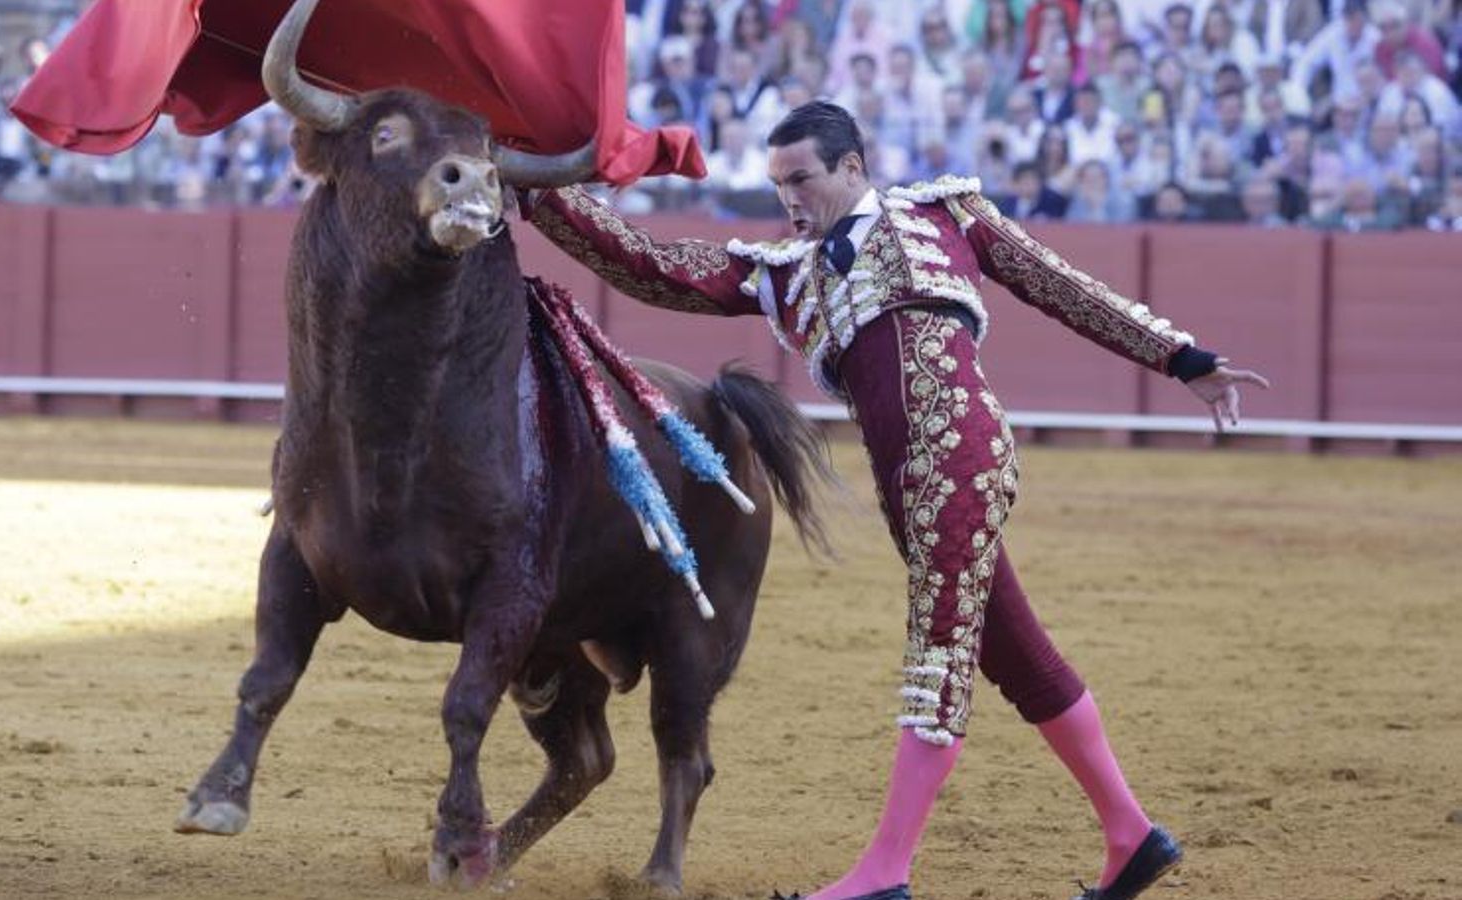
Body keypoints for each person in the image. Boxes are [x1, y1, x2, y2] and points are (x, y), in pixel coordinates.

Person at [521, 101, 1268, 900]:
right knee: (1017, 656)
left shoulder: (942, 216)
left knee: (937, 662)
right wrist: (540, 194)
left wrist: (1182, 357)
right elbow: (652, 265)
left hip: (961, 456)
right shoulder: (787, 275)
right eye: (778, 185)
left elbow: (1059, 285)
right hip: (906, 486)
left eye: (803, 178)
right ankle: (1132, 837)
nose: (790, 199)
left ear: (852, 166)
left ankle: (885, 874)